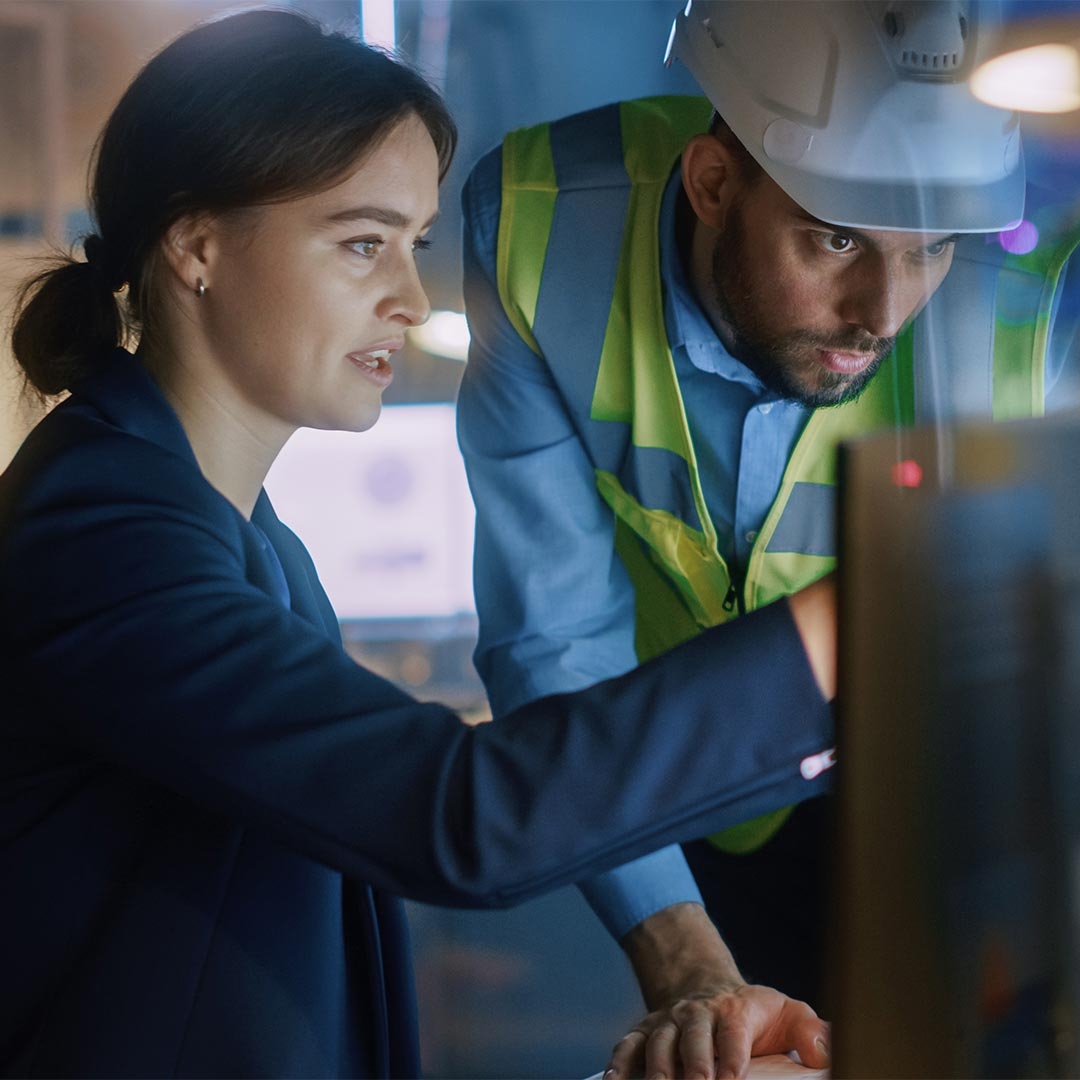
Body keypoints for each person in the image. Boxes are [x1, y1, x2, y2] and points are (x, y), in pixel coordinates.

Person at [0, 9, 845, 1078]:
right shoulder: (106, 533)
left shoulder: (251, 542)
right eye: (362, 242)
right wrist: (827, 643)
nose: (407, 299)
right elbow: (459, 815)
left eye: (415, 246)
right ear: (197, 244)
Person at [457, 0, 1041, 1066]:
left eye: (932, 250)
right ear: (713, 184)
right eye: (835, 238)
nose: (885, 308)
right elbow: (553, 634)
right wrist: (689, 964)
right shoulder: (543, 224)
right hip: (664, 781)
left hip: (931, 788)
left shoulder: (1034, 298)